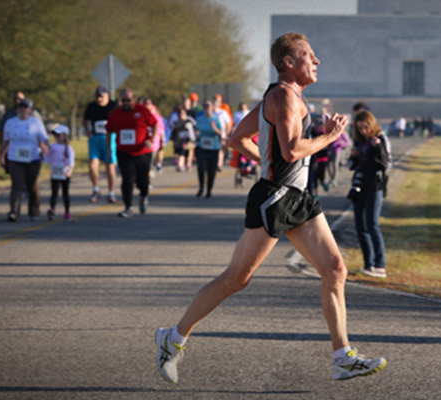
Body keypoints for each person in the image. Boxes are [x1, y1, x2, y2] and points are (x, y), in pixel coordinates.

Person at [154, 32, 387, 384]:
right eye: (309, 55)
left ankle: (343, 357)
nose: (317, 61)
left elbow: (237, 139)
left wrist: (268, 162)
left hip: (298, 198)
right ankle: (173, 338)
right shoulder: (283, 97)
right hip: (276, 199)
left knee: (336, 270)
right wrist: (329, 137)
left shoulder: (284, 97)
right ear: (289, 63)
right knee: (236, 279)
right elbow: (292, 151)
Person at [348, 110, 391, 279]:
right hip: (359, 187)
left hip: (375, 187)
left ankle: (380, 265)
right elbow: (351, 166)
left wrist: (378, 146)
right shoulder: (360, 142)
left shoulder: (381, 139)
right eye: (360, 128)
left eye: (366, 127)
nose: (364, 131)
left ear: (372, 125)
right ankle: (368, 264)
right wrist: (355, 156)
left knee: (372, 225)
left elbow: (385, 163)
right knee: (360, 227)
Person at [105, 88, 159, 218]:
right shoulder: (115, 114)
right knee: (127, 180)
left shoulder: (142, 111)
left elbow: (155, 124)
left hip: (142, 152)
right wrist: (109, 149)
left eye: (128, 100)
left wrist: (151, 140)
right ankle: (128, 207)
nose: (125, 103)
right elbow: (109, 131)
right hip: (124, 152)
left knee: (142, 181)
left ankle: (143, 195)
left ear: (134, 99)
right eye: (123, 100)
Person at [1, 98, 49, 222]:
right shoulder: (10, 122)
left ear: (30, 109)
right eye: (21, 107)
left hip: (33, 158)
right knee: (16, 185)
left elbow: (44, 138)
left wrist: (45, 148)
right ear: (17, 108)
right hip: (14, 158)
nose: (23, 109)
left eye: (26, 107)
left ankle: (34, 211)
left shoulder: (36, 123)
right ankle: (13, 212)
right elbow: (5, 141)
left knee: (32, 185)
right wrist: (1, 156)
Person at [82, 86, 118, 204]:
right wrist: (87, 130)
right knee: (92, 166)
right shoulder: (91, 106)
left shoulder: (114, 106)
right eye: (97, 96)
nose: (99, 99)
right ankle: (96, 189)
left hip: (110, 139)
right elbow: (84, 120)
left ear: (107, 96)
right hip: (95, 139)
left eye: (102, 96)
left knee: (110, 167)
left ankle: (111, 192)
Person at [0, 91, 41, 173]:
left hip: (31, 152)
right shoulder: (8, 114)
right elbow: (1, 133)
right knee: (16, 177)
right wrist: (2, 150)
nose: (17, 101)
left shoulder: (34, 115)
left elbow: (41, 135)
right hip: (13, 151)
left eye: (20, 99)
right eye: (15, 99)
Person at [45, 124, 75, 222]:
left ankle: (67, 212)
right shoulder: (52, 146)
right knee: (54, 192)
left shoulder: (69, 148)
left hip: (65, 172)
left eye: (59, 135)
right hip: (55, 172)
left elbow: (71, 161)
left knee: (65, 193)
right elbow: (48, 158)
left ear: (64, 135)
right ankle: (52, 209)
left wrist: (70, 170)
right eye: (55, 135)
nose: (56, 137)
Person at [193, 100, 223, 198]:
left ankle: (209, 190)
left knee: (211, 171)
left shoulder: (216, 119)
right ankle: (201, 187)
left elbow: (221, 134)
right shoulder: (200, 119)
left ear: (212, 107)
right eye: (204, 105)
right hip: (201, 147)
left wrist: (215, 128)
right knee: (201, 168)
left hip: (213, 148)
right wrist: (196, 135)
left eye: (208, 105)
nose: (206, 107)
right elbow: (196, 129)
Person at [171, 107, 196, 172]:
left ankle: (188, 164)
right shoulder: (177, 123)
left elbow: (191, 132)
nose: (181, 115)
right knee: (181, 153)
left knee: (190, 152)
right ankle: (180, 165)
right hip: (180, 141)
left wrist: (193, 140)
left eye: (183, 114)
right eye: (180, 114)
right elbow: (174, 133)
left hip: (189, 140)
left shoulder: (189, 121)